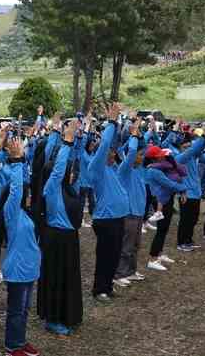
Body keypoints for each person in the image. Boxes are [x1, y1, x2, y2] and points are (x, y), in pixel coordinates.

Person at [38, 121, 83, 337]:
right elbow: (57, 172)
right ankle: (52, 319)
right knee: (56, 280)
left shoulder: (71, 190)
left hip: (70, 239)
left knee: (69, 279)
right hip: (56, 239)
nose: (71, 174)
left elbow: (79, 163)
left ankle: (68, 315)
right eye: (69, 171)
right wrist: (66, 142)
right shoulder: (52, 188)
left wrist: (78, 140)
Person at [0, 138, 41, 356]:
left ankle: (20, 339)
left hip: (29, 268)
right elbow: (16, 189)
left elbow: (24, 183)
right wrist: (15, 161)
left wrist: (23, 160)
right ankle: (11, 344)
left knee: (25, 309)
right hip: (17, 269)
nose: (29, 195)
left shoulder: (24, 214)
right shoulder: (11, 212)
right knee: (16, 310)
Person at [86, 103, 129, 302]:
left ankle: (108, 285)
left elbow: (120, 145)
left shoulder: (112, 169)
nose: (113, 153)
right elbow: (104, 146)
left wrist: (125, 123)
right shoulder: (97, 168)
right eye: (110, 152)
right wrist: (111, 121)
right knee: (105, 255)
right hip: (105, 219)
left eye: (113, 151)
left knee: (114, 255)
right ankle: (99, 289)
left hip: (118, 218)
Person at [143, 146, 187, 272]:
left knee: (164, 229)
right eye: (160, 155)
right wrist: (183, 188)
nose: (163, 156)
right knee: (161, 230)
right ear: (155, 158)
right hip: (161, 201)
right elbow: (168, 183)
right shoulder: (154, 171)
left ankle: (159, 253)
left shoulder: (157, 168)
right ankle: (153, 259)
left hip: (165, 200)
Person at [114, 124, 147, 286]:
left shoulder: (139, 169)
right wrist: (133, 136)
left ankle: (131, 271)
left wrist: (140, 137)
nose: (142, 157)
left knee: (135, 245)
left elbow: (143, 148)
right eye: (140, 155)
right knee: (125, 246)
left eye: (142, 155)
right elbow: (132, 151)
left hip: (139, 213)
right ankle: (119, 274)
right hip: (128, 213)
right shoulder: (124, 169)